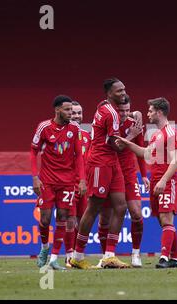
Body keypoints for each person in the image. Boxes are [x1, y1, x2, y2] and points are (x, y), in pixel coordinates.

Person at [115, 97, 177, 269]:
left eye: (151, 111)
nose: (148, 114)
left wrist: (164, 180)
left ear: (159, 112)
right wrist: (126, 143)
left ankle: (164, 258)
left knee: (167, 220)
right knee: (163, 221)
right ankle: (175, 258)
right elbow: (145, 153)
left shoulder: (171, 133)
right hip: (156, 180)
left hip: (167, 181)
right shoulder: (158, 135)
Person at [70, 78, 130, 269]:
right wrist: (133, 136)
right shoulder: (110, 112)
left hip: (111, 163)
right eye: (119, 91)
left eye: (124, 90)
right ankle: (77, 256)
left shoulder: (104, 107)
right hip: (100, 163)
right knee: (93, 208)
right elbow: (116, 144)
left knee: (121, 207)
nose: (123, 93)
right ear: (110, 93)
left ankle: (109, 255)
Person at [31, 95, 86, 270]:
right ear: (57, 110)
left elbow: (79, 157)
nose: (71, 113)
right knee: (45, 219)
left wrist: (82, 180)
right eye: (67, 110)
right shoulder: (44, 127)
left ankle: (54, 259)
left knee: (63, 217)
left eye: (72, 110)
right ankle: (45, 248)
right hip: (47, 180)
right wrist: (34, 177)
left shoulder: (74, 128)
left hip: (68, 182)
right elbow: (33, 152)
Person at [98, 97, 150, 267]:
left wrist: (143, 175)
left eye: (128, 110)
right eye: (121, 110)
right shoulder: (108, 122)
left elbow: (140, 150)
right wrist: (131, 135)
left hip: (128, 174)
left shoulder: (134, 123)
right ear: (114, 109)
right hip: (109, 172)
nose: (125, 113)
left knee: (136, 213)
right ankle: (106, 255)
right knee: (104, 218)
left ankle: (136, 253)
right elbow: (116, 145)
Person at [64, 101, 92, 267]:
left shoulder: (87, 136)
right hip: (68, 184)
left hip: (84, 185)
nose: (76, 116)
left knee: (83, 221)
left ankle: (78, 255)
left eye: (79, 113)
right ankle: (68, 255)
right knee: (69, 220)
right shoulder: (63, 134)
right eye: (73, 113)